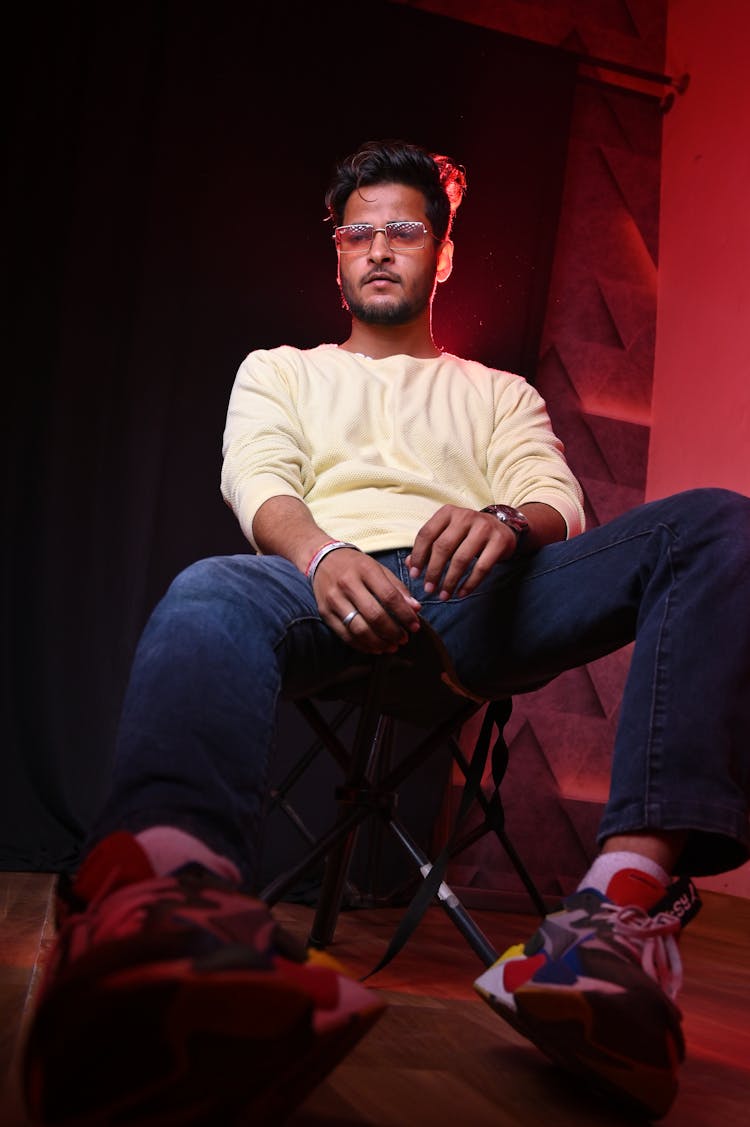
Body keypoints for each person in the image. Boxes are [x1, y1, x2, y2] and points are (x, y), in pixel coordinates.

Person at [23, 139, 750, 1125]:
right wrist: (322, 555)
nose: (377, 247)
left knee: (715, 522)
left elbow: (557, 498)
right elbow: (261, 482)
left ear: (441, 254)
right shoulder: (279, 369)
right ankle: (159, 899)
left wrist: (499, 523)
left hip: (481, 591)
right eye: (356, 231)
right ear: (335, 256)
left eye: (403, 229)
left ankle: (618, 911)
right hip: (330, 580)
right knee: (213, 587)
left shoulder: (498, 392)